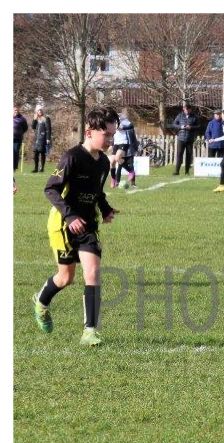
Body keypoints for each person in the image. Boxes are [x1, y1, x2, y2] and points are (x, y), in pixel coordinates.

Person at [32, 106, 120, 346]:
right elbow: (51, 189)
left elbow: (97, 191)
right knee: (65, 278)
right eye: (106, 135)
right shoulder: (71, 157)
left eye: (112, 135)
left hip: (88, 225)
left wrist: (105, 209)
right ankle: (41, 302)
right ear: (90, 132)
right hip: (63, 224)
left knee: (92, 273)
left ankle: (90, 332)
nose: (110, 141)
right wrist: (70, 216)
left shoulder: (103, 163)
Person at [111, 112, 139, 188]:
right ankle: (114, 180)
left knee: (127, 163)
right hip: (116, 144)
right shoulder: (112, 121)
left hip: (125, 144)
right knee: (113, 162)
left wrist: (121, 127)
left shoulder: (124, 121)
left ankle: (132, 182)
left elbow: (130, 126)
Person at [172, 102, 199, 175]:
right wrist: (180, 127)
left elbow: (198, 126)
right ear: (183, 109)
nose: (186, 111)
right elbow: (174, 124)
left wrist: (191, 127)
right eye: (185, 109)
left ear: (190, 109)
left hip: (190, 138)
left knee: (188, 155)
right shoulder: (180, 116)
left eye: (187, 109)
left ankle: (187, 171)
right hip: (181, 138)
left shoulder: (194, 117)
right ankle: (177, 171)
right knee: (179, 155)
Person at [206, 110, 224, 192]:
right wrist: (209, 139)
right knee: (211, 159)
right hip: (212, 145)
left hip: (221, 145)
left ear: (221, 115)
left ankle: (219, 173)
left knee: (221, 161)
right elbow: (207, 132)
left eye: (219, 114)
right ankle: (210, 173)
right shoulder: (211, 123)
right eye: (216, 114)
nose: (217, 115)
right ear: (214, 115)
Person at [31, 105, 52, 173]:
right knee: (35, 154)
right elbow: (33, 127)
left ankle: (42, 168)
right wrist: (34, 119)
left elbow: (48, 129)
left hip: (43, 138)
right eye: (38, 110)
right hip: (36, 139)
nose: (39, 111)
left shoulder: (46, 118)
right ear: (36, 112)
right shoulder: (36, 119)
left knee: (42, 153)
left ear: (42, 111)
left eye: (40, 110)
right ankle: (36, 168)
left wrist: (48, 138)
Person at [14, 105, 29, 172]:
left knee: (15, 153)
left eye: (17, 110)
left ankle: (14, 168)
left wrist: (19, 133)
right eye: (15, 110)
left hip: (17, 139)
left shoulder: (22, 119)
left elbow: (25, 128)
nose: (16, 111)